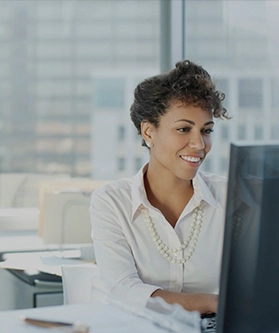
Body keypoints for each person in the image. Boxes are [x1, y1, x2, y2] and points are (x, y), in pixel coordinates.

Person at [90, 60, 230, 314]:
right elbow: (122, 290)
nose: (198, 144)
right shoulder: (112, 202)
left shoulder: (232, 197)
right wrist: (215, 302)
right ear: (148, 132)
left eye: (206, 130)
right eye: (183, 129)